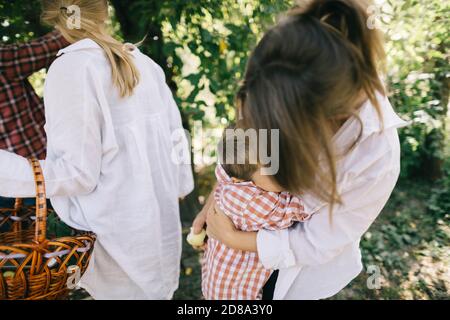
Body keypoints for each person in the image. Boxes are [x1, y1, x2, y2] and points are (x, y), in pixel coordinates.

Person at [192, 0, 407, 300]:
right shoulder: (280, 77)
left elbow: (317, 243)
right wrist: (219, 197)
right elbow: (243, 153)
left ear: (325, 122)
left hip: (297, 278)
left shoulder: (375, 157)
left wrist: (233, 237)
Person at [0, 0, 194, 300]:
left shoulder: (72, 68)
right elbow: (178, 148)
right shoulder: (145, 63)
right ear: (105, 10)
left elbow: (77, 175)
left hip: (113, 249)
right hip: (156, 239)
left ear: (51, 14)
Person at [201, 130, 311, 300]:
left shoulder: (231, 174)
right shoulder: (251, 201)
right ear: (241, 179)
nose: (285, 175)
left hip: (219, 276)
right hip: (235, 292)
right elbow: (301, 209)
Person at [0, 31, 69, 210]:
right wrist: (74, 13)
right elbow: (58, 41)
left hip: (35, 180)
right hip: (42, 179)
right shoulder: (3, 61)